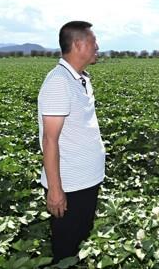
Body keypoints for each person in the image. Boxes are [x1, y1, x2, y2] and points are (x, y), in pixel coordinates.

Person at [38, 21, 104, 263]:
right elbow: (50, 139)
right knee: (66, 249)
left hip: (86, 181)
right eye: (93, 41)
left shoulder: (81, 78)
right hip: (70, 186)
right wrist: (55, 190)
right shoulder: (59, 82)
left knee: (81, 241)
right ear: (78, 44)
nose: (97, 46)